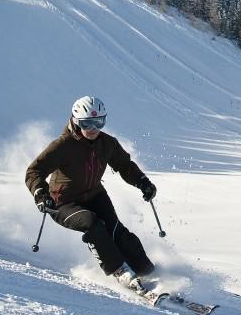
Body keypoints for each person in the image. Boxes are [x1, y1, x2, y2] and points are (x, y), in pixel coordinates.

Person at [26, 96, 157, 291]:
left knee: (115, 230)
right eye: (87, 123)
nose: (93, 129)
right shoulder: (63, 145)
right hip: (63, 203)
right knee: (92, 224)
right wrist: (41, 195)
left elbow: (124, 165)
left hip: (94, 195)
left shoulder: (107, 143)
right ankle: (119, 271)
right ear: (76, 122)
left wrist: (143, 182)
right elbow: (34, 171)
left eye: (99, 122)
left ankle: (145, 270)